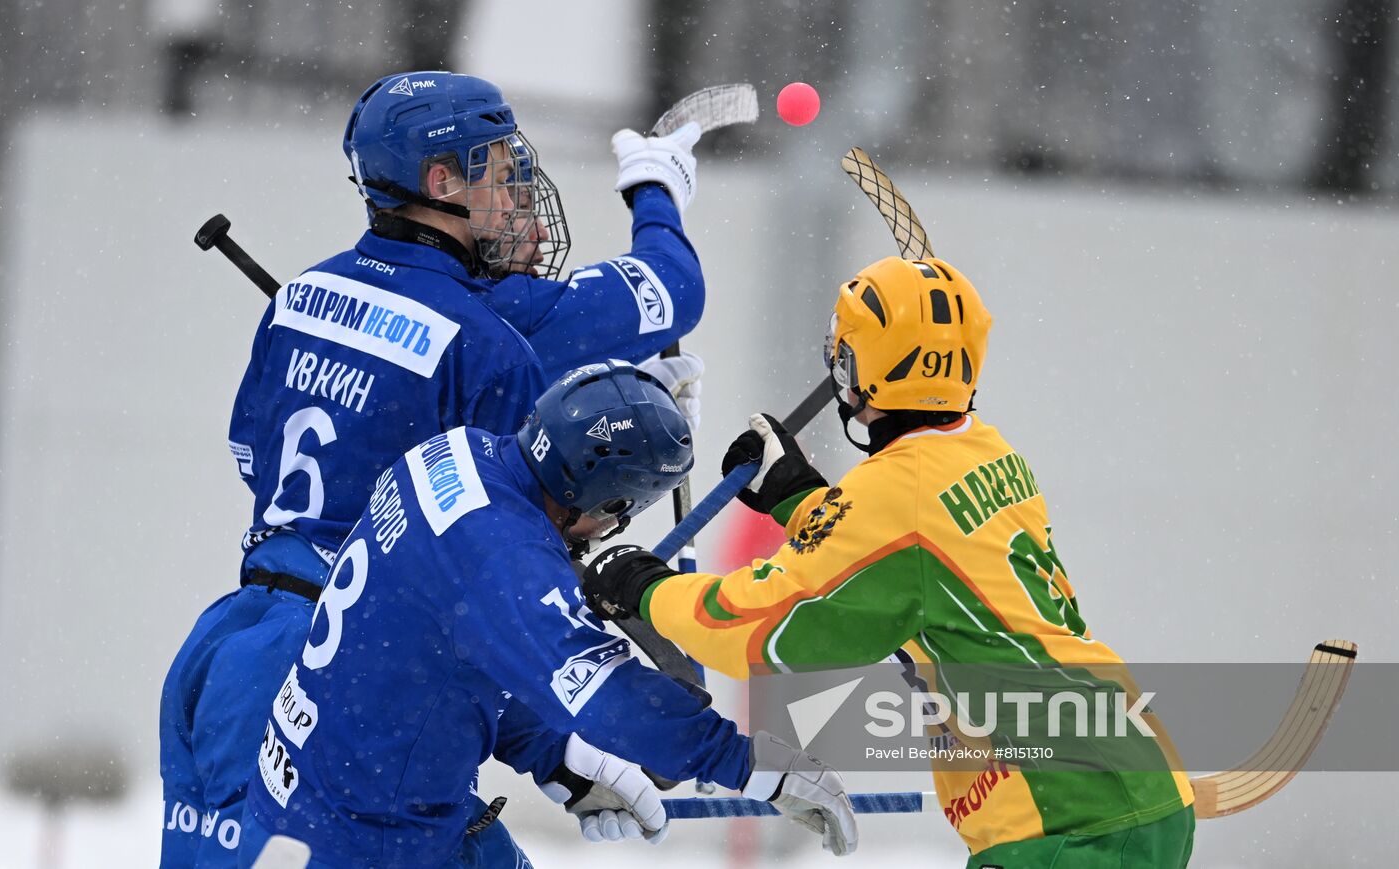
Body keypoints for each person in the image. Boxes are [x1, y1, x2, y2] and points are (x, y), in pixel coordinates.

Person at [160, 70, 705, 866]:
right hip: (347, 676)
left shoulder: (303, 294)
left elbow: (251, 454)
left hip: (230, 642)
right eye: (498, 169)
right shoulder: (488, 340)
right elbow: (500, 568)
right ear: (441, 181)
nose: (516, 192)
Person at [582, 256, 1197, 868]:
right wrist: (798, 496)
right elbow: (906, 555)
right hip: (1130, 779)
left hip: (1070, 821)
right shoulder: (984, 451)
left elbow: (758, 629)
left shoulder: (894, 497)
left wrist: (643, 585)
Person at [236, 361, 858, 867]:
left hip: (324, 791)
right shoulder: (505, 556)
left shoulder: (456, 451)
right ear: (605, 497)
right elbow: (610, 698)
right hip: (372, 838)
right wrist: (754, 767)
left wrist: (557, 756)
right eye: (623, 510)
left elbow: (440, 654)